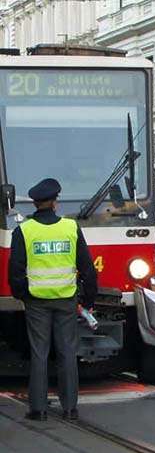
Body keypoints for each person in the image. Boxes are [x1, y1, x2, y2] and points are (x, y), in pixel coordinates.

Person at [8, 178, 97, 421]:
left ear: (35, 204)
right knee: (67, 351)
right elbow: (87, 267)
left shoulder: (24, 231)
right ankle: (70, 408)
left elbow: (15, 269)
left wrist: (23, 295)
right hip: (66, 299)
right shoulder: (70, 228)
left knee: (40, 353)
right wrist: (89, 300)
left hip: (36, 301)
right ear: (55, 203)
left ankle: (38, 409)